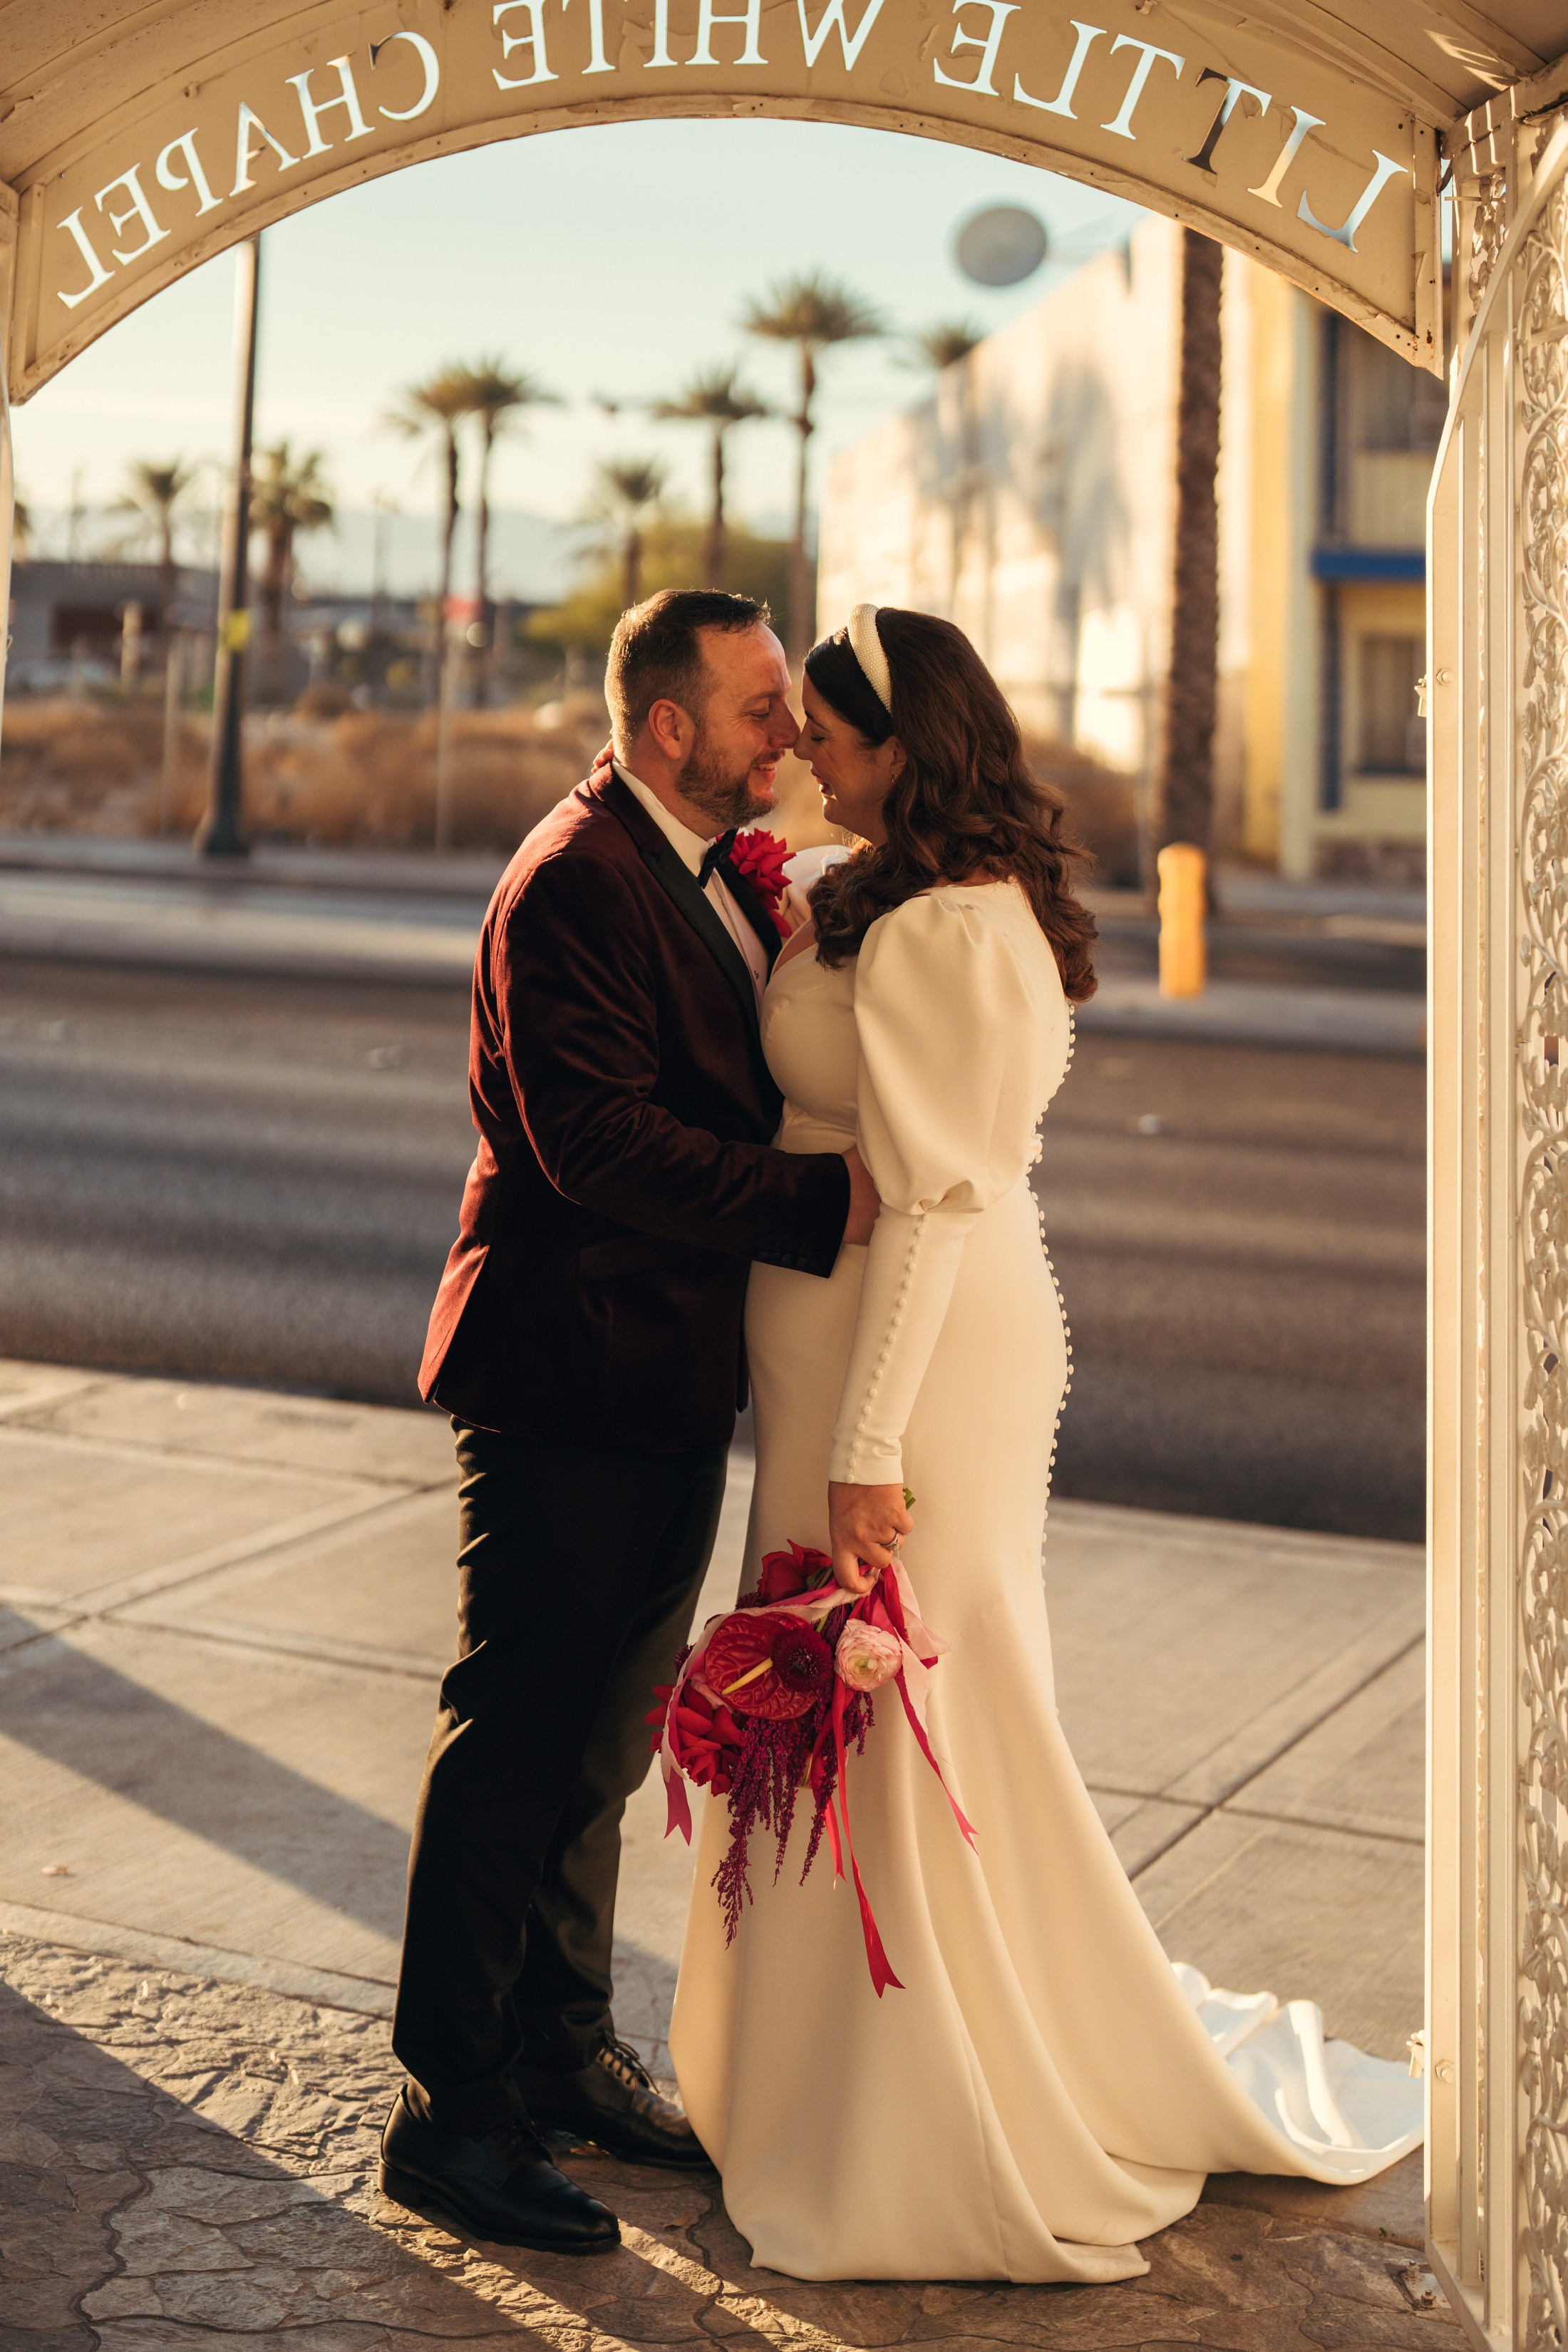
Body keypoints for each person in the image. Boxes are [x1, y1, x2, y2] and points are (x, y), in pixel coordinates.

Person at [669, 604, 1422, 2284]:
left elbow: (932, 1204)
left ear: (897, 750)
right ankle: (823, 2077)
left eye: (825, 738)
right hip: (851, 1354)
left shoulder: (943, 931)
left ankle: (922, 2110)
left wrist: (869, 1446)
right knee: (874, 1698)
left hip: (910, 1362)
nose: (801, 759)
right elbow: (805, 905)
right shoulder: (893, 888)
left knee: (901, 1703)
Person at [381, 589, 879, 2255]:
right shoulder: (572, 885)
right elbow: (594, 1145)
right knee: (516, 1742)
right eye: (757, 707)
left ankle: (558, 2050)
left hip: (657, 1376)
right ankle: (449, 2113)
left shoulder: (694, 864)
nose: (784, 732)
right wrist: (821, 1203)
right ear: (670, 727)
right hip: (565, 1376)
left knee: (599, 1747)